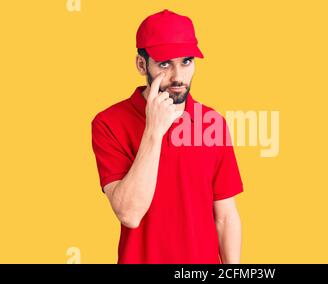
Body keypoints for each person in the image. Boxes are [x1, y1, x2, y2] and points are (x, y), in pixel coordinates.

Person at [91, 9, 244, 264]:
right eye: (165, 64)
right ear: (142, 65)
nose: (178, 77)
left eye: (186, 62)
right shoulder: (109, 123)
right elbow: (129, 213)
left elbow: (226, 217)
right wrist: (154, 130)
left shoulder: (212, 123)